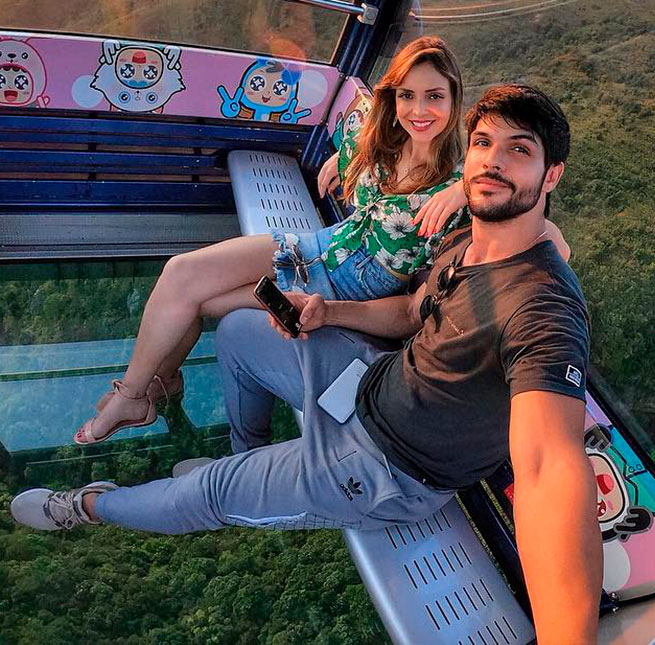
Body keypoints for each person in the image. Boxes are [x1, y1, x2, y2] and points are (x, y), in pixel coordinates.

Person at [11, 84, 601, 641]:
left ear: (552, 175)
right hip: (369, 384)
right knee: (240, 331)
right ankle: (248, 457)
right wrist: (327, 313)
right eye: (483, 143)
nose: (493, 161)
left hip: (386, 469)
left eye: (518, 150)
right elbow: (408, 312)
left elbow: (549, 467)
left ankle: (87, 505)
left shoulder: (543, 306)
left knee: (205, 495)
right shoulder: (468, 241)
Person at [73, 36, 471, 445]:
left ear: (454, 98)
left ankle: (153, 388)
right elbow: (363, 142)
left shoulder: (460, 186)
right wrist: (345, 158)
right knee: (181, 273)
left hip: (345, 288)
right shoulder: (387, 140)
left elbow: (511, 187)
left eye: (434, 96)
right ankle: (141, 391)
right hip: (319, 247)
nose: (419, 111)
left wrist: (465, 189)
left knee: (199, 302)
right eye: (407, 95)